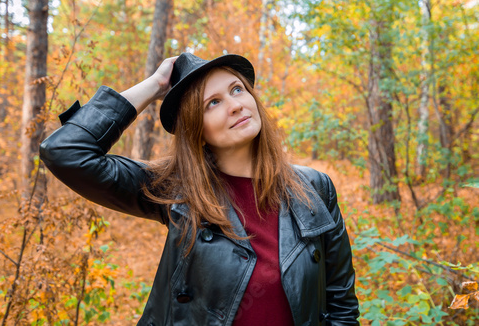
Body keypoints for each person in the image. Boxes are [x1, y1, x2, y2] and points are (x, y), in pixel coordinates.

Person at [40, 52, 359, 326]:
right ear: (196, 129)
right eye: (214, 102)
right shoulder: (176, 191)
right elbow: (66, 153)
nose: (235, 105)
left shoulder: (315, 188)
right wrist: (154, 87)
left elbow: (341, 303)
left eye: (237, 89)